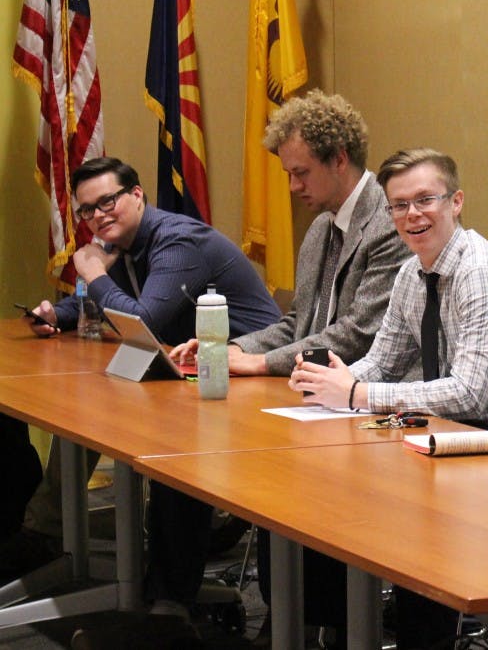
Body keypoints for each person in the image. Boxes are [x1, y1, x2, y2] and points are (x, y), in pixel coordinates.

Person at [290, 147, 488, 649]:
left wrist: (355, 393)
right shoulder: (411, 273)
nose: (412, 215)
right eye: (399, 205)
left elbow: (467, 393)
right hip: (459, 433)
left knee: (410, 511)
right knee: (324, 492)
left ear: (456, 201)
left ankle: (421, 637)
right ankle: (335, 629)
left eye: (425, 200)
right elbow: (383, 362)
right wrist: (328, 380)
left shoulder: (481, 273)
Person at [4, 156, 282, 643]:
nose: (98, 217)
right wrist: (61, 312)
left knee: (168, 449)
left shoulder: (178, 241)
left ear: (137, 195)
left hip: (249, 380)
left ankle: (168, 601)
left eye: (108, 201)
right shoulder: (125, 245)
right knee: (83, 408)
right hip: (189, 376)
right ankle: (47, 534)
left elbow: (147, 320)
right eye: (88, 211)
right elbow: (114, 310)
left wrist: (91, 269)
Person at [170, 90, 411, 644]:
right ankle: (284, 621)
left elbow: (357, 334)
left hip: (374, 400)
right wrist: (226, 350)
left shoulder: (390, 225)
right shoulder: (324, 226)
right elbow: (299, 320)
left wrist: (256, 364)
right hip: (314, 398)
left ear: (340, 159)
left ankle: (312, 624)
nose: (293, 185)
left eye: (301, 172)